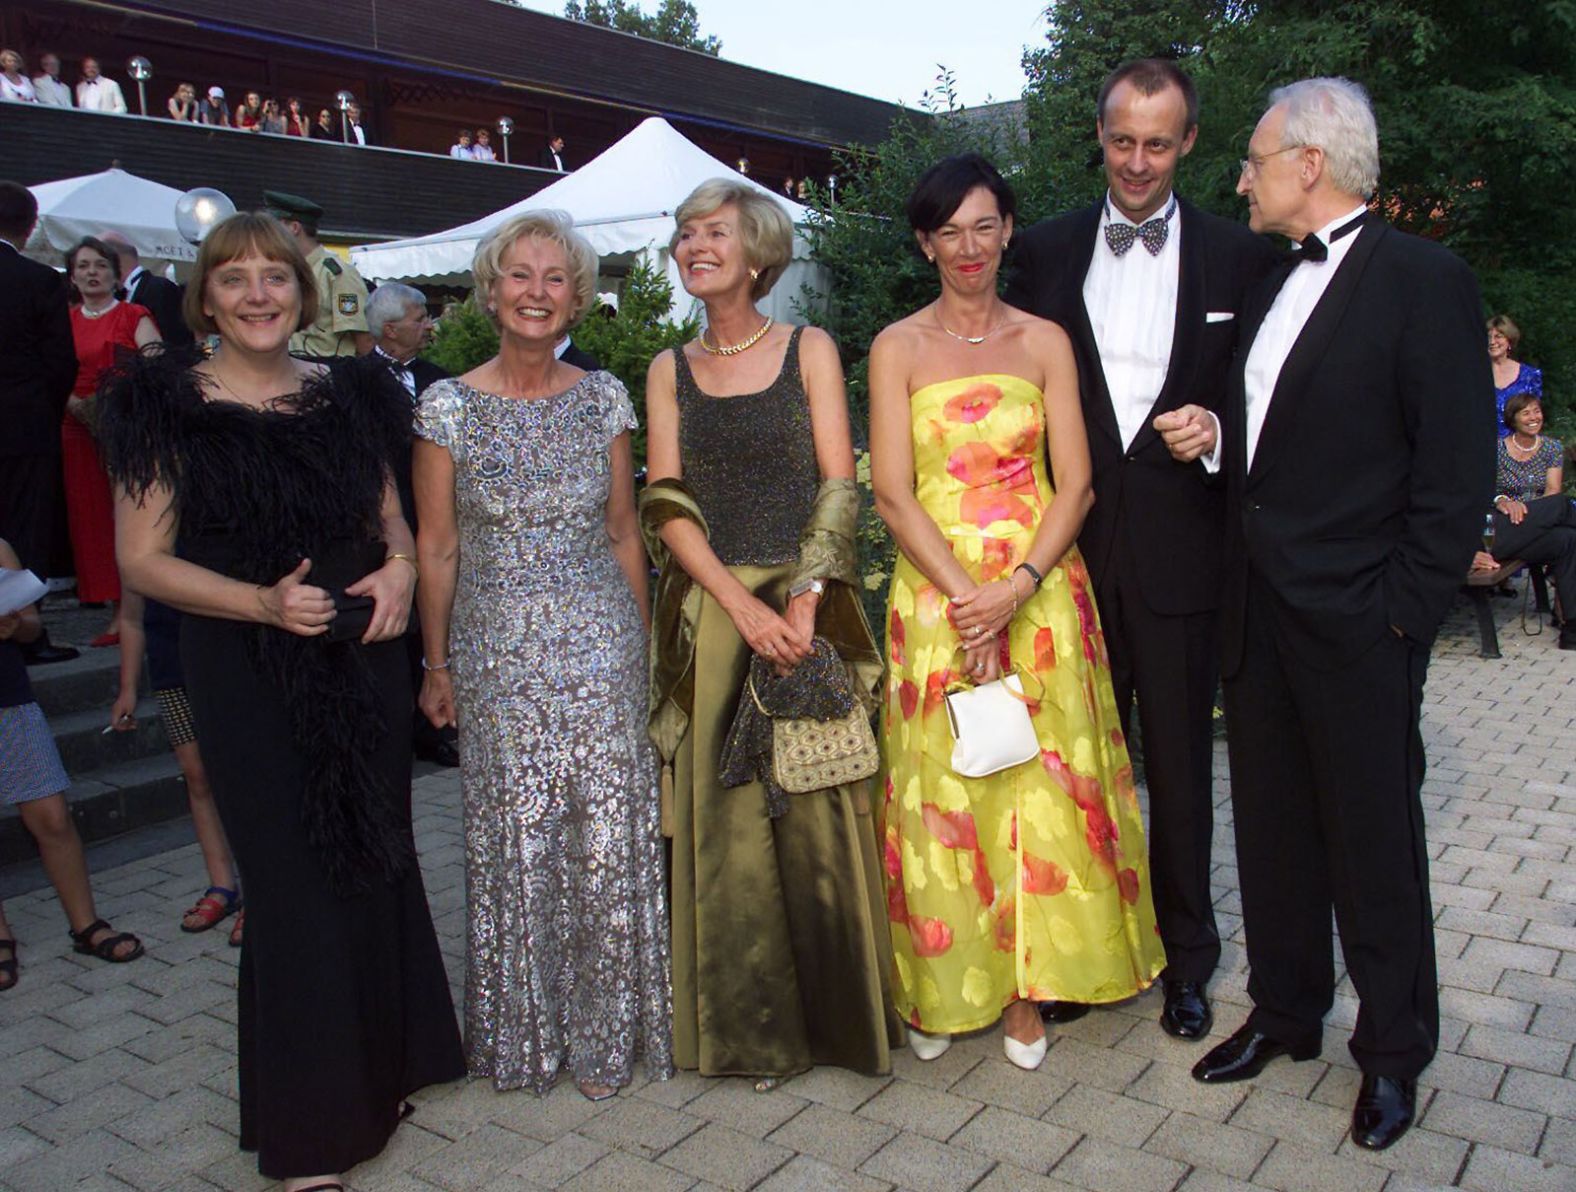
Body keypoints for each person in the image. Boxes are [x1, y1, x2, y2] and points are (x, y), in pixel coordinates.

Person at [100, 211, 464, 1189]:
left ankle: (385, 1072)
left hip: (361, 656)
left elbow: (393, 519)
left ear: (302, 294)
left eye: (276, 277)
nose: (258, 294)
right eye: (236, 279)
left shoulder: (347, 393)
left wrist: (395, 575)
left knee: (378, 855)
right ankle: (310, 1134)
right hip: (246, 666)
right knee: (294, 883)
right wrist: (260, 602)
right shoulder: (165, 405)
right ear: (205, 297)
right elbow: (143, 560)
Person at [1180, 77, 1492, 1152]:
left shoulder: (1424, 280)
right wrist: (1216, 439)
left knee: (1373, 847)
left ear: (1309, 162)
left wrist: (1401, 617)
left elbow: (1455, 473)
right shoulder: (1269, 281)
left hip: (1360, 623)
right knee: (1267, 831)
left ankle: (1394, 1055)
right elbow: (1275, 443)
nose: (1243, 177)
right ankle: (1284, 1012)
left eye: (1256, 157)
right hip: (1256, 613)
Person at [1003, 59, 1282, 1040]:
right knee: (1071, 770)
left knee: (1175, 769)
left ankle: (1188, 961)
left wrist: (1219, 433)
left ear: (1189, 142)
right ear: (1099, 135)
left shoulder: (1240, 258)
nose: (1135, 160)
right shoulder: (1037, 252)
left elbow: (1272, 403)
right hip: (1062, 560)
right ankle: (1084, 954)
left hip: (1179, 564)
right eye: (1120, 139)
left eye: (1156, 142)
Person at [870, 154, 1165, 1071]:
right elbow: (889, 491)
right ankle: (940, 983)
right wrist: (970, 600)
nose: (970, 247)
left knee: (1038, 798)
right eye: (949, 231)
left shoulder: (1044, 341)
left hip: (1040, 592)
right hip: (937, 598)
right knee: (941, 794)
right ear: (926, 243)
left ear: (1008, 232)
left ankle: (1029, 994)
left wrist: (1017, 587)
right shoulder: (896, 348)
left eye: (985, 226)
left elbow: (1075, 484)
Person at [642, 179, 902, 1088]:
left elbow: (841, 481)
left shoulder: (810, 347)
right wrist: (741, 608)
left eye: (713, 233)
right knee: (731, 836)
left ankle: (842, 1023)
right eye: (684, 236)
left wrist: (801, 599)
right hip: (716, 616)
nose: (693, 246)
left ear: (756, 253)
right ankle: (750, 1033)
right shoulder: (667, 368)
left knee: (820, 807)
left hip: (810, 598)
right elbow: (667, 502)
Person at [413, 211, 672, 1099]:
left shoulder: (604, 398)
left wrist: (640, 646)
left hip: (600, 638)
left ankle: (608, 1036)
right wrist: (435, 664)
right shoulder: (446, 405)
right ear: (489, 291)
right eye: (518, 276)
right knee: (517, 834)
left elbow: (624, 530)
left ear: (579, 296)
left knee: (605, 832)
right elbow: (437, 547)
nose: (536, 292)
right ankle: (528, 1032)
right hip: (493, 649)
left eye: (555, 277)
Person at [0, 536, 145, 992]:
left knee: (52, 817)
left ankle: (86, 925)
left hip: (8, 698)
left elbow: (31, 627)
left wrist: (13, 624)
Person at [110, 590, 244, 942]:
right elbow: (131, 616)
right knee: (197, 776)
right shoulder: (138, 538)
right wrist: (128, 688)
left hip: (229, 658)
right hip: (170, 666)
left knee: (244, 773)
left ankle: (262, 892)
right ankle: (222, 886)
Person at [366, 282, 459, 769]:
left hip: (433, 521)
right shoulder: (353, 381)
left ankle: (433, 730)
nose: (429, 325)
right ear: (390, 328)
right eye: (420, 318)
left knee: (431, 622)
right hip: (377, 527)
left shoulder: (440, 382)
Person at [65, 236, 158, 647]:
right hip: (77, 425)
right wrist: (75, 404)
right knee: (93, 518)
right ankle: (113, 607)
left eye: (99, 265)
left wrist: (120, 404)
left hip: (125, 425)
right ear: (72, 275)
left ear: (115, 273)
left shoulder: (133, 314)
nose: (91, 273)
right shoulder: (63, 321)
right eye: (83, 266)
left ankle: (133, 612)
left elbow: (157, 365)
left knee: (128, 516)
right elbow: (50, 370)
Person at [0, 183, 79, 666]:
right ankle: (27, 632)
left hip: (26, 419)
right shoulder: (39, 281)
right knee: (26, 529)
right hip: (25, 424)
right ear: (29, 229)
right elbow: (60, 363)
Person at [1476, 394, 1576, 649]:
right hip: (1494, 528)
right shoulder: (1495, 448)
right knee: (1562, 505)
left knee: (1568, 539)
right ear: (1513, 418)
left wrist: (1530, 514)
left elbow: (1552, 490)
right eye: (1526, 413)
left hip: (1533, 523)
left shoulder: (1551, 448)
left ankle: (1572, 630)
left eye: (1537, 411)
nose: (1534, 418)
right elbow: (1479, 489)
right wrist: (1502, 500)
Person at [265, 191, 373, 358]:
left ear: (294, 228)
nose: (267, 236)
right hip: (287, 371)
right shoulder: (283, 273)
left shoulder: (336, 273)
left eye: (272, 228)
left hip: (328, 371)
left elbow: (363, 340)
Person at [100, 230, 196, 349]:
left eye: (99, 263)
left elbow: (176, 344)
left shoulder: (160, 289)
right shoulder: (112, 298)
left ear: (113, 260)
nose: (93, 271)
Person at [1488, 315, 1541, 440]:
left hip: (1517, 449)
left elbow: (1534, 418)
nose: (1492, 342)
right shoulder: (1475, 375)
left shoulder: (1530, 375)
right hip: (1481, 446)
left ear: (1509, 341)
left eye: (1498, 337)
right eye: (1488, 337)